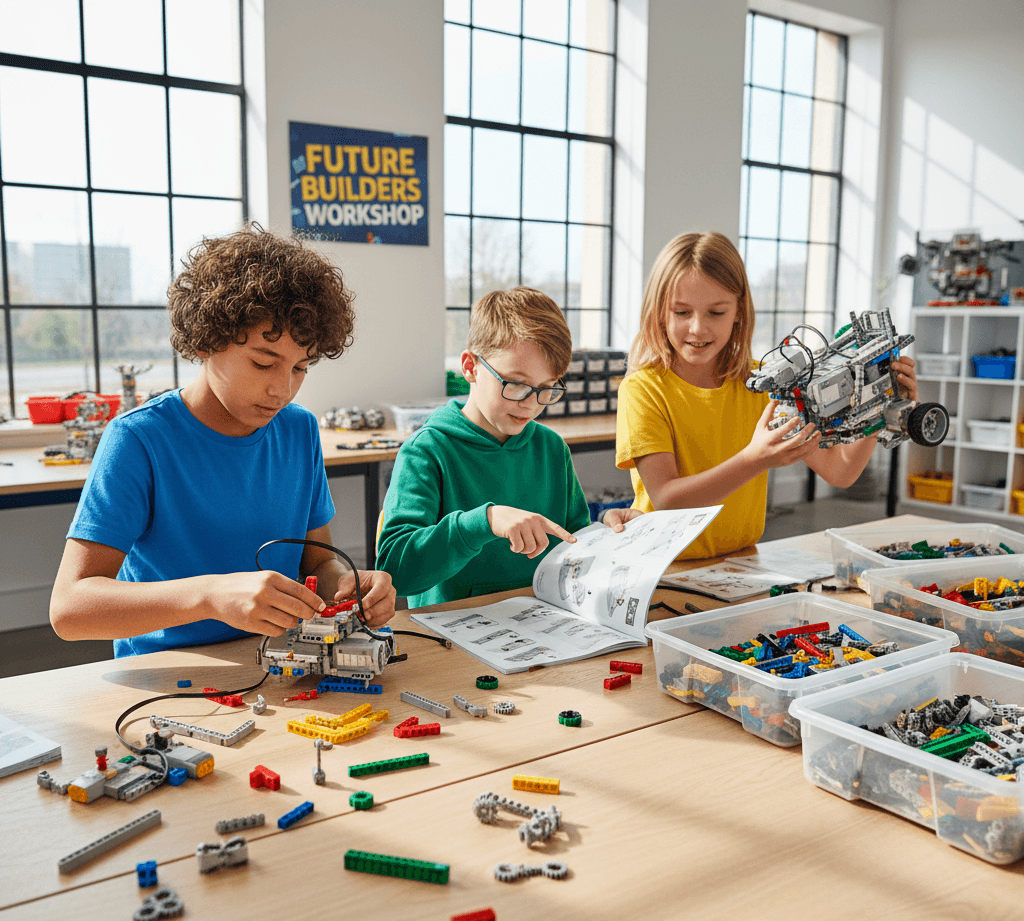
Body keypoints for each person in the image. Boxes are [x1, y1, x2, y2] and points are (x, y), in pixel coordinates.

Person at [50, 226, 396, 656]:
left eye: (300, 368)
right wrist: (210, 596)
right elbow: (69, 609)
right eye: (263, 363)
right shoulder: (139, 439)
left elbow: (316, 562)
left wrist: (345, 584)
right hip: (168, 673)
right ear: (208, 340)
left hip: (277, 663)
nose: (282, 391)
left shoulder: (299, 430)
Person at [615, 231, 918, 560]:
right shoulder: (643, 389)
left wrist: (879, 404)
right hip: (663, 567)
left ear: (738, 311)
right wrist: (754, 460)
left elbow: (840, 471)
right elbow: (667, 499)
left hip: (741, 563)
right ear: (660, 312)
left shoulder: (767, 382)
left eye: (716, 312)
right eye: (681, 312)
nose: (698, 328)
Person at [377, 286, 641, 608]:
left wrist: (607, 534)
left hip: (541, 625)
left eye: (546, 389)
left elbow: (574, 543)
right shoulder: (427, 451)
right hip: (452, 634)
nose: (530, 405)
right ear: (471, 367)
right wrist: (484, 521)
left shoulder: (551, 449)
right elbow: (395, 571)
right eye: (516, 384)